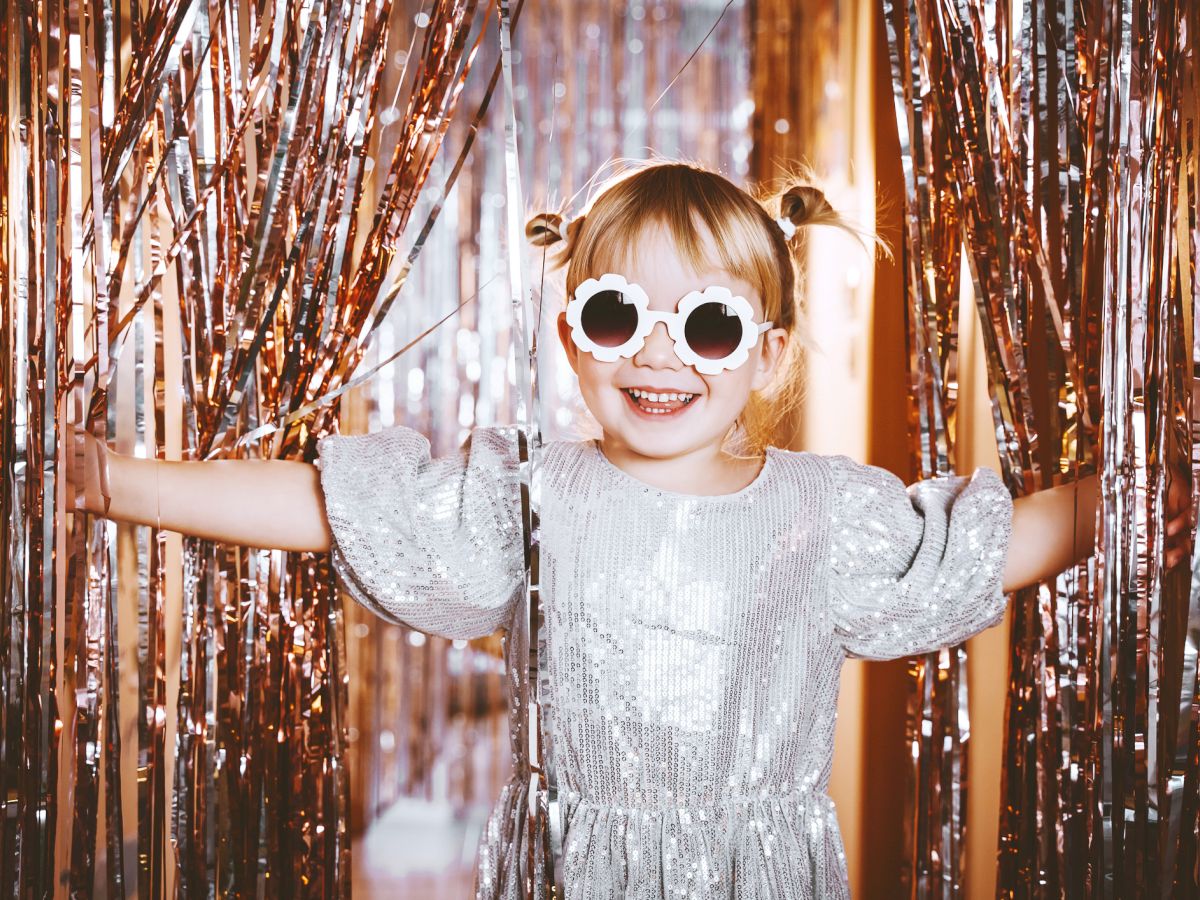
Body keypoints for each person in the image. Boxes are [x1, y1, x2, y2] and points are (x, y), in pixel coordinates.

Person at [66, 162, 1192, 899]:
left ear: (769, 355)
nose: (658, 356)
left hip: (761, 876)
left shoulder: (820, 510)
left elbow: (990, 545)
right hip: (572, 873)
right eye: (618, 316)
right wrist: (118, 481)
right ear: (572, 338)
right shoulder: (533, 493)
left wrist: (1128, 497)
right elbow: (329, 506)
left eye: (707, 325)